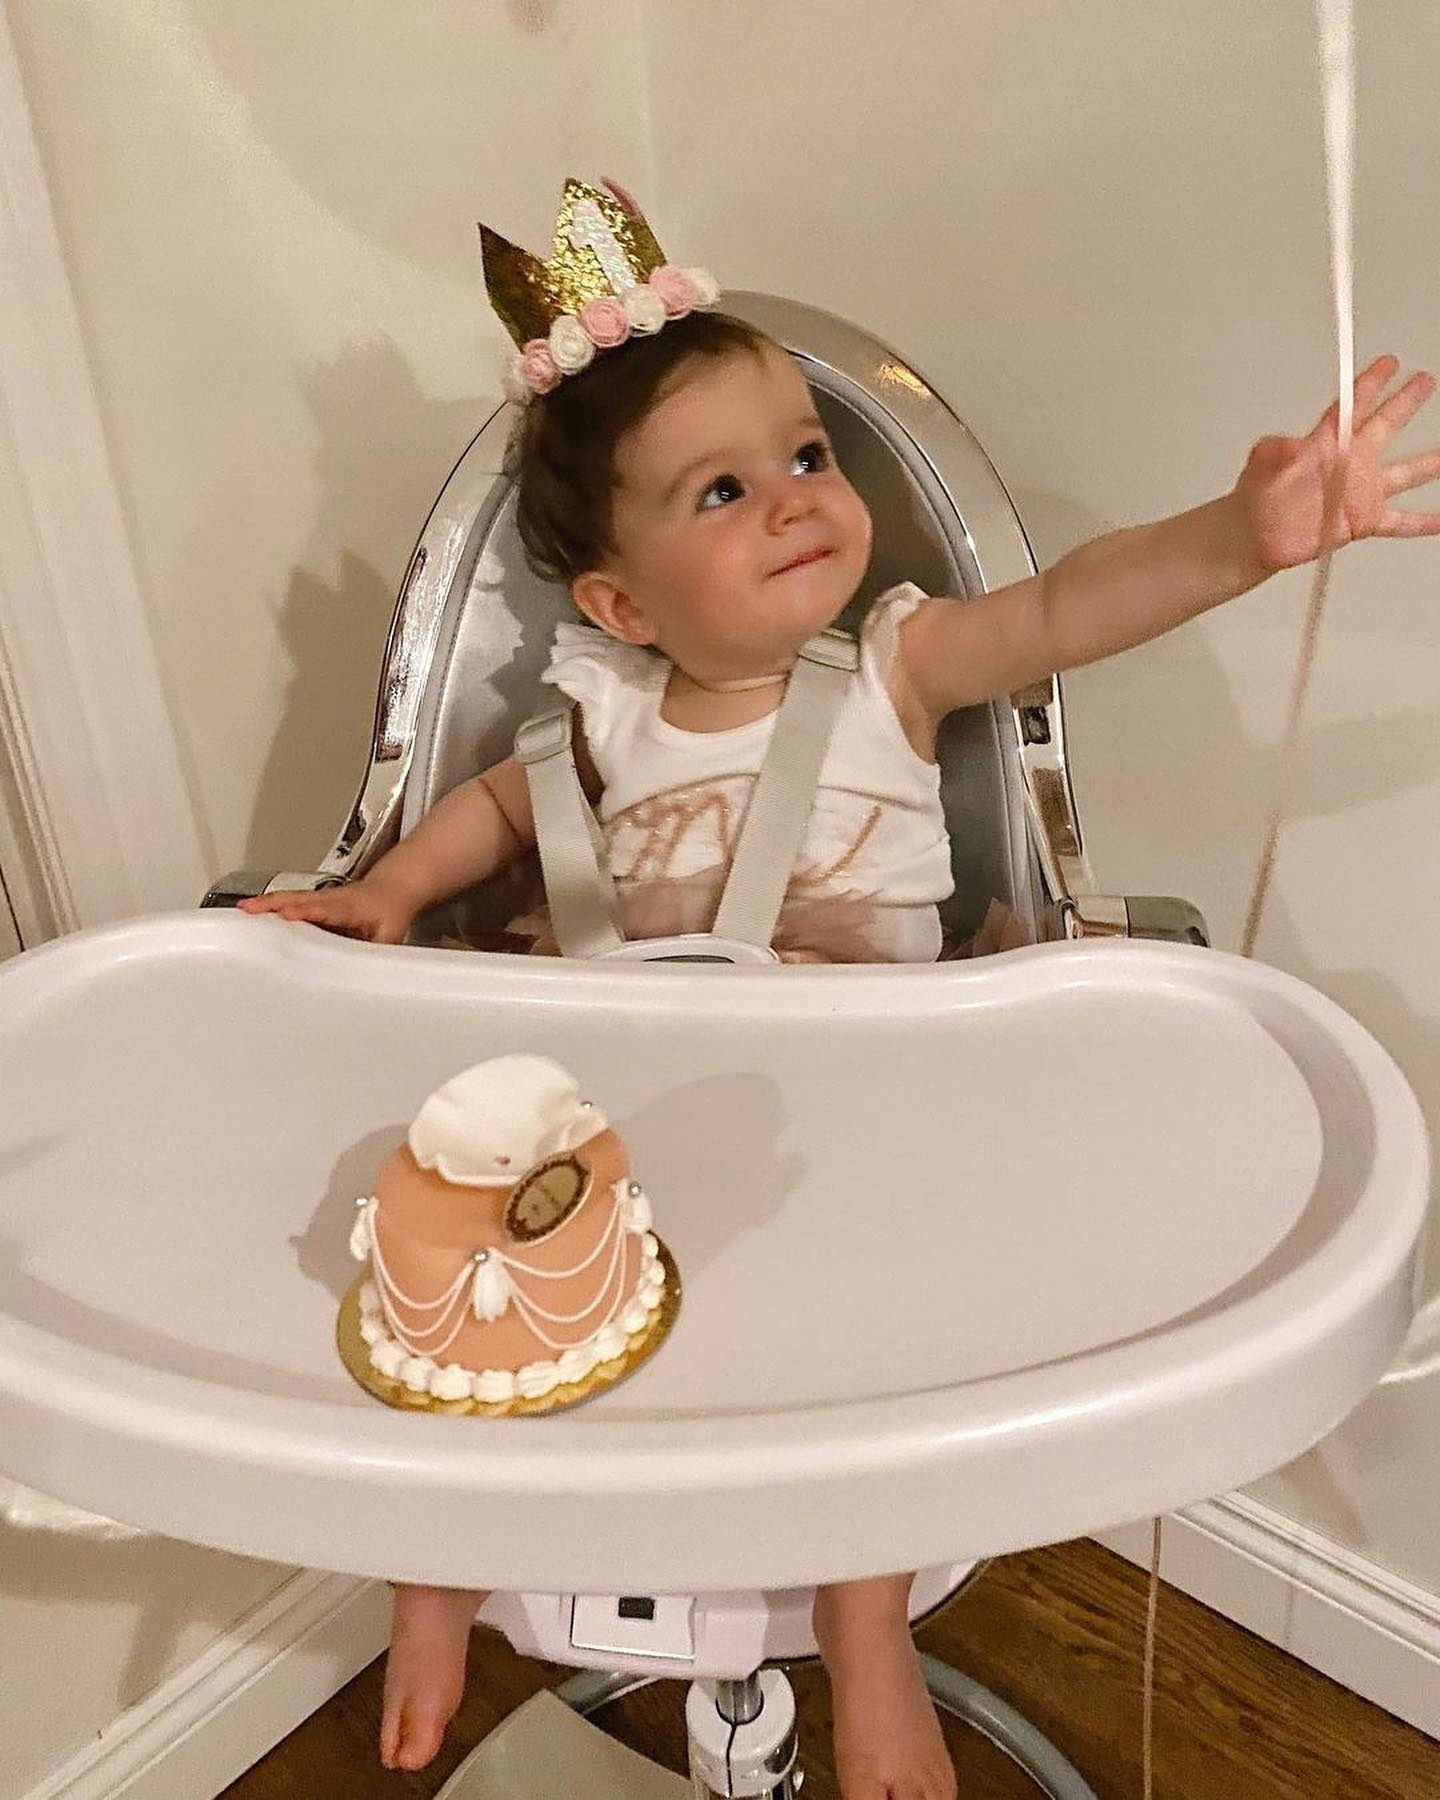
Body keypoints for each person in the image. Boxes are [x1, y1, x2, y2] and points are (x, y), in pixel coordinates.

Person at [243, 187, 1440, 1799]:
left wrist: (1243, 537)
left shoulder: (893, 669)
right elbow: (495, 816)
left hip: (863, 1121)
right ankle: (437, 1568)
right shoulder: (597, 715)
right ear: (621, 606)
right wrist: (391, 893)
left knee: (888, 1336)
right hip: (627, 1113)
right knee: (455, 1269)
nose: (800, 499)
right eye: (723, 490)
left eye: (806, 454)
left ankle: (861, 1617)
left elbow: (1069, 606)